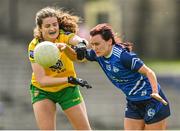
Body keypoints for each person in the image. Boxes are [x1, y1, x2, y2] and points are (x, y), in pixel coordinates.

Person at [75, 23, 171, 130]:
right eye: (92, 44)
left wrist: (155, 92)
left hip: (152, 100)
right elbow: (77, 56)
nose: (94, 48)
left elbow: (149, 72)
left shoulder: (123, 56)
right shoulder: (98, 54)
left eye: (97, 44)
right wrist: (65, 48)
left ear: (109, 41)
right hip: (133, 102)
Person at [28, 6, 92, 130]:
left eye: (54, 24)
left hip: (67, 90)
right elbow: (42, 80)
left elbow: (81, 40)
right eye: (47, 26)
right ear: (40, 29)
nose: (52, 28)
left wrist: (81, 45)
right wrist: (69, 79)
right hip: (43, 91)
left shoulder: (63, 37)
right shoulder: (34, 46)